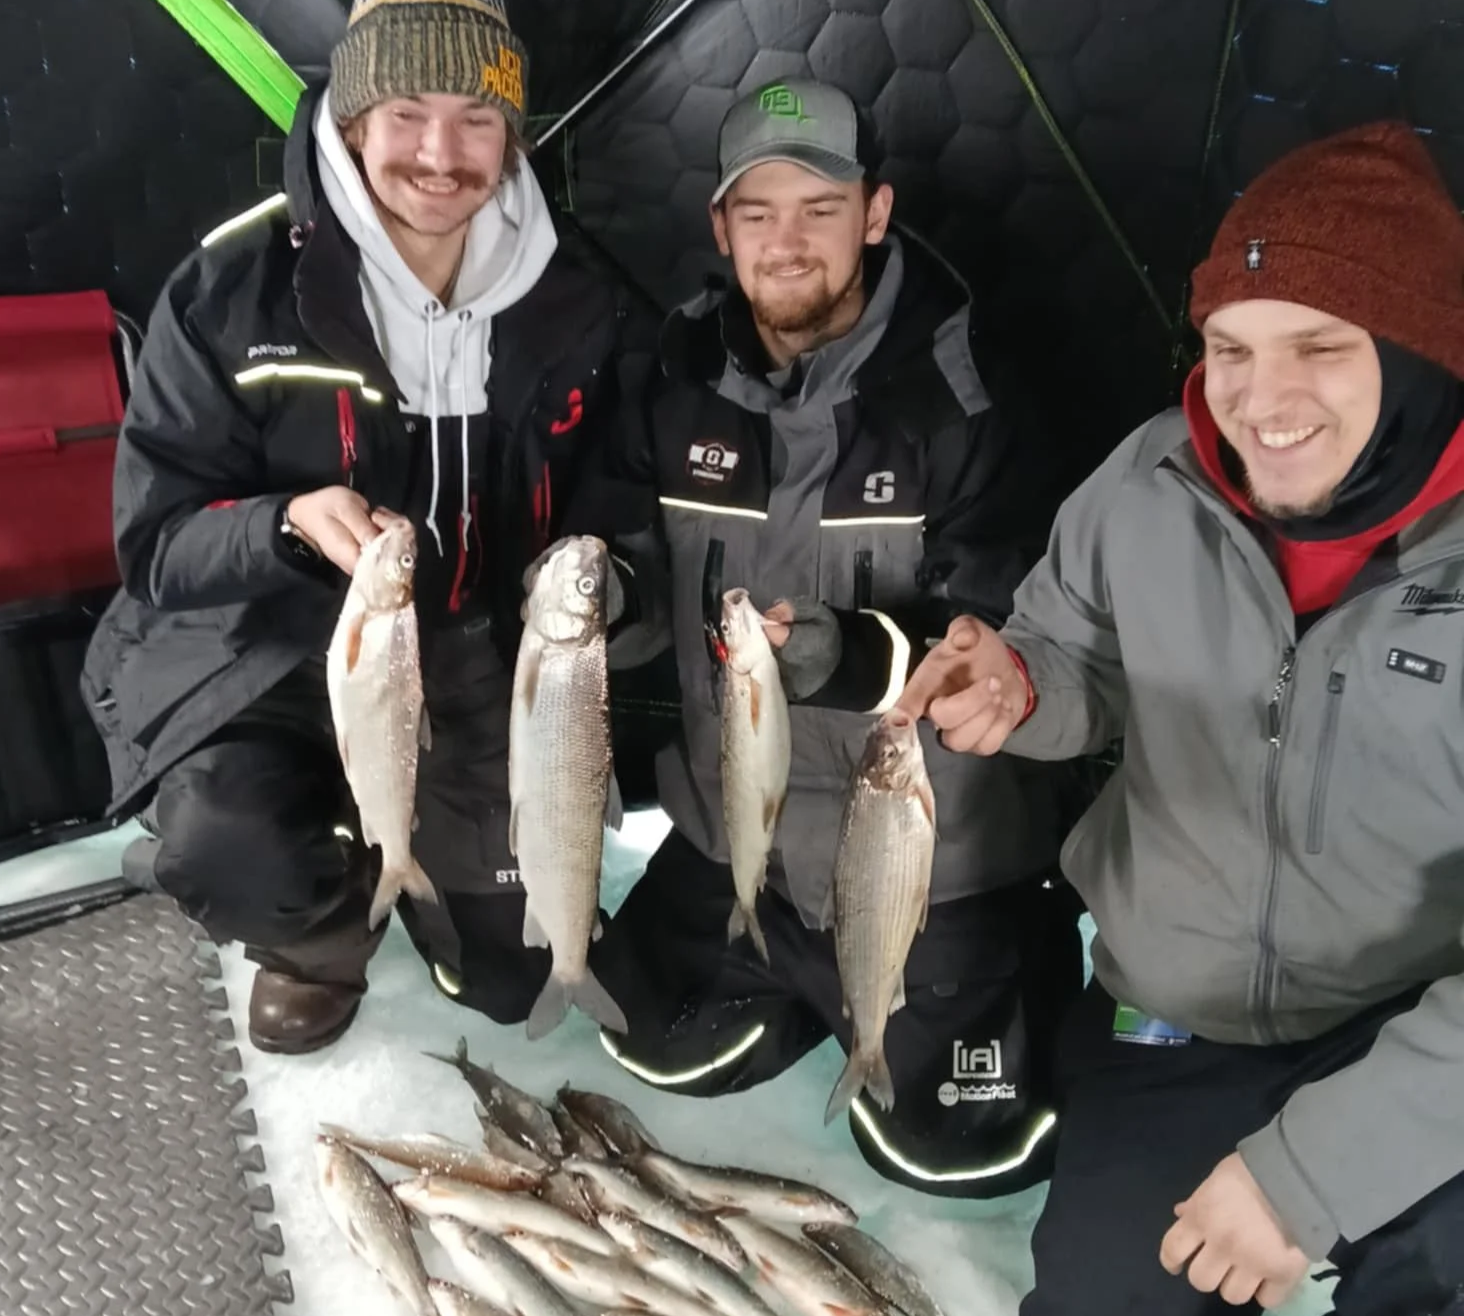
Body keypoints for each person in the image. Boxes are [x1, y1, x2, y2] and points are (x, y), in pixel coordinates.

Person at [898, 121, 1464, 1316]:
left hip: (1420, 1022)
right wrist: (1015, 686)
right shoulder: (1152, 480)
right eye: (1231, 344)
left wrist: (1309, 1175)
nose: (1262, 398)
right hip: (1181, 1012)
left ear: (1422, 348)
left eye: (1318, 344)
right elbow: (1069, 651)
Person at [82, 0, 641, 1053]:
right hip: (274, 651)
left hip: (482, 654)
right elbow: (154, 543)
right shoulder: (228, 286)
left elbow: (620, 488)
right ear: (350, 119)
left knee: (518, 978)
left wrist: (608, 578)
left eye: (478, 116)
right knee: (227, 841)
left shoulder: (582, 297)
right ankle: (322, 941)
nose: (441, 154)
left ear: (514, 131)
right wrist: (286, 525)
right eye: (404, 113)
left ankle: (430, 874)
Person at [589, 78, 1086, 1197]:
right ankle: (801, 977)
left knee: (956, 1152)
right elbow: (623, 552)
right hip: (740, 833)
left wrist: (856, 657)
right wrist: (600, 599)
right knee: (648, 1041)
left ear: (875, 212)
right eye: (757, 211)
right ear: (720, 229)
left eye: (820, 207)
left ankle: (1019, 950)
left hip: (922, 847)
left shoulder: (971, 392)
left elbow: (1015, 632)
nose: (788, 240)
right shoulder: (672, 376)